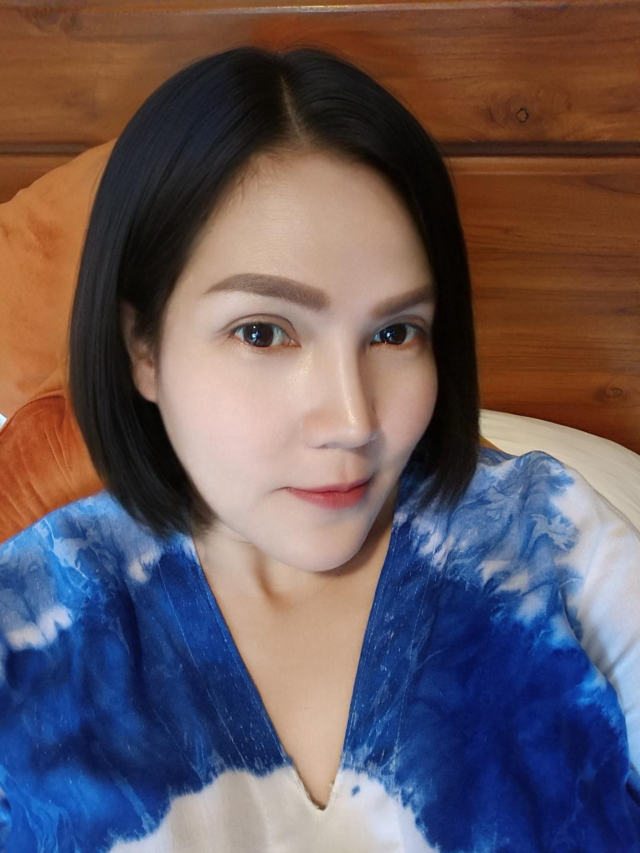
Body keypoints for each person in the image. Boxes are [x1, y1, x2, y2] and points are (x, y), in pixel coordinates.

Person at [0, 44, 638, 852]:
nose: (353, 417)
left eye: (395, 332)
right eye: (264, 332)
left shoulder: (552, 540)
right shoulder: (32, 626)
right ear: (144, 348)